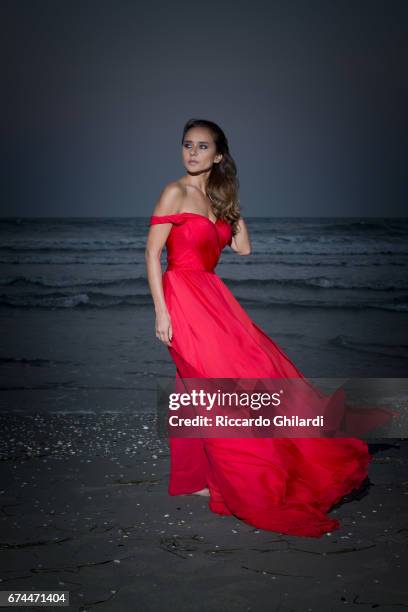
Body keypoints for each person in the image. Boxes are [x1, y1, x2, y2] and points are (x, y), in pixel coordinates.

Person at [145, 118, 391, 538]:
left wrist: (231, 206)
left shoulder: (219, 199)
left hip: (215, 298)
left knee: (245, 371)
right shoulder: (174, 191)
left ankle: (198, 478)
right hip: (182, 297)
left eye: (203, 147)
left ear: (219, 155)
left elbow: (243, 249)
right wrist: (161, 312)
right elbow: (151, 255)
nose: (192, 152)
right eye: (188, 145)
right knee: (208, 382)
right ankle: (227, 476)